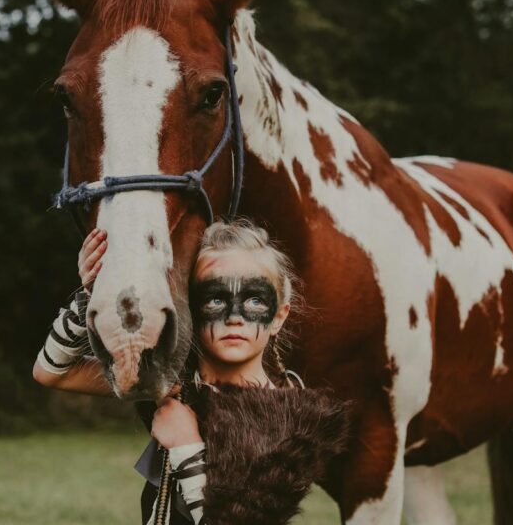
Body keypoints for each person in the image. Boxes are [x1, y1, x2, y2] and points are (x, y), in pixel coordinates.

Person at [33, 220, 347, 525]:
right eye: (215, 298)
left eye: (253, 299)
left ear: (278, 316)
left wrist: (186, 445)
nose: (234, 317)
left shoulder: (293, 421)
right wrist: (92, 293)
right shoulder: (174, 384)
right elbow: (53, 372)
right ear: (189, 309)